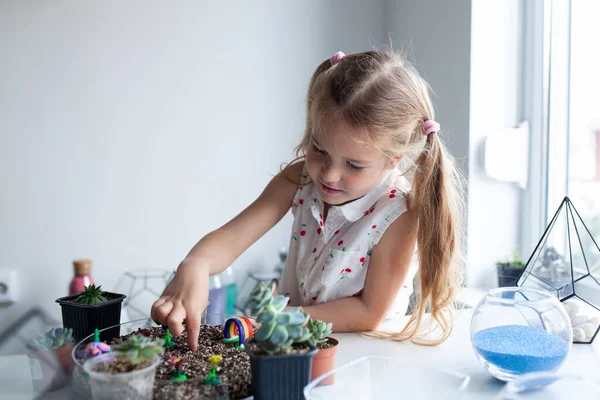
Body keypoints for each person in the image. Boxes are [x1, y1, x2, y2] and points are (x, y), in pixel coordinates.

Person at [151, 50, 465, 350]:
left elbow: (369, 312)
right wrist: (196, 264)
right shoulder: (300, 178)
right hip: (294, 341)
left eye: (353, 165)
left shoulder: (398, 213)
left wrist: (272, 322)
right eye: (319, 149)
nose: (328, 174)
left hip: (363, 351)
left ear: (393, 159)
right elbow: (232, 239)